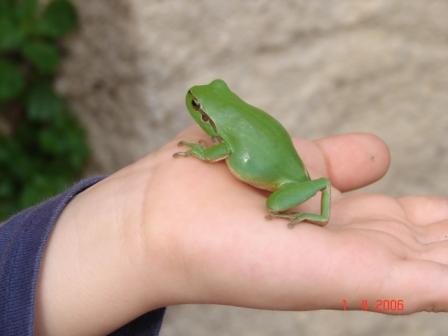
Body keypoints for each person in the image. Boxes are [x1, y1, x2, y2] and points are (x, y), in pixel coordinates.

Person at [1, 126, 448, 336]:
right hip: (297, 174)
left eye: (200, 112)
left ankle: (309, 214)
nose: (194, 113)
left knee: (275, 201)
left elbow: (225, 152)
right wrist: (132, 239)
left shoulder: (221, 138)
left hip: (279, 183)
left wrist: (202, 148)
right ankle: (314, 211)